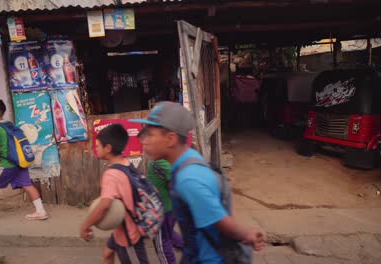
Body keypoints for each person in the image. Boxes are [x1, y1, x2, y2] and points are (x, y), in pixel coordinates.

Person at [132, 102, 266, 263]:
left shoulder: (188, 178)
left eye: (150, 135)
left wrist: (247, 234)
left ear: (170, 139)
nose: (144, 140)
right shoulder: (188, 159)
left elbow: (221, 222)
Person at [0, 99, 48, 222]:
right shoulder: (9, 124)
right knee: (27, 184)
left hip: (8, 163)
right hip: (20, 161)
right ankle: (41, 211)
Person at [80, 124, 148, 264]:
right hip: (122, 228)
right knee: (108, 254)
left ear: (108, 148)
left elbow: (105, 205)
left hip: (129, 235)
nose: (96, 149)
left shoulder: (112, 174)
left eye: (98, 146)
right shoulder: (126, 164)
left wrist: (86, 225)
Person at [139, 128, 183, 264]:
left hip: (162, 210)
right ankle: (191, 250)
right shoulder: (160, 159)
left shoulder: (161, 162)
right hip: (167, 208)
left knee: (162, 245)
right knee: (170, 235)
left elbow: (174, 184)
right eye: (144, 144)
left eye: (147, 144)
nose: (144, 148)